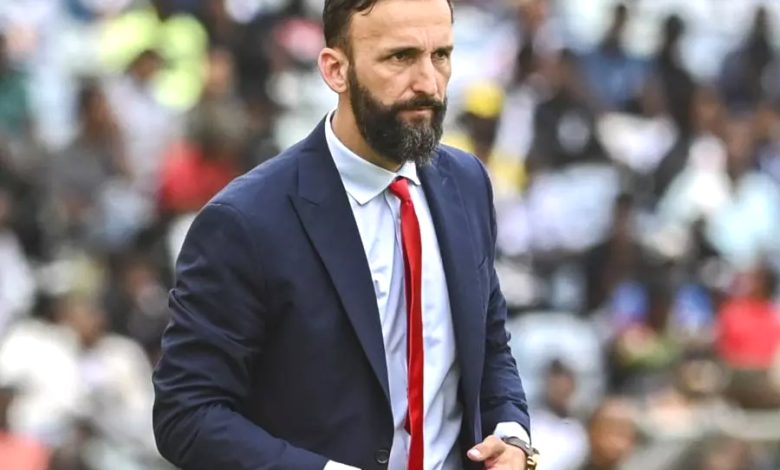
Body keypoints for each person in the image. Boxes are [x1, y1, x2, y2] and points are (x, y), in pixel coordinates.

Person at [152, 0, 534, 468]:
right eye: (400, 57)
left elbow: (490, 344)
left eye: (441, 55)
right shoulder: (246, 221)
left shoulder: (468, 183)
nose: (428, 82)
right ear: (336, 70)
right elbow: (187, 414)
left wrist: (511, 435)